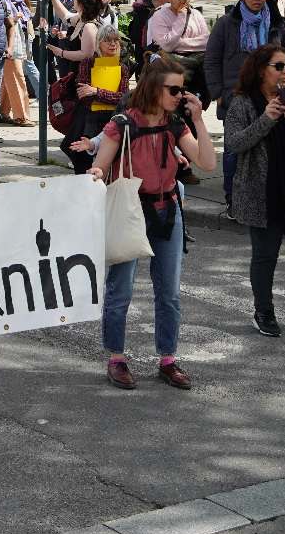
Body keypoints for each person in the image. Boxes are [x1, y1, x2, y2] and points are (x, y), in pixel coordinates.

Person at [89, 58, 216, 390]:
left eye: (181, 89)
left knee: (169, 293)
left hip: (167, 210)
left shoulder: (176, 125)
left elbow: (206, 162)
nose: (179, 95)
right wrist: (96, 173)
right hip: (131, 211)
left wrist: (199, 120)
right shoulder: (122, 124)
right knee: (121, 291)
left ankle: (168, 360)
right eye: (173, 89)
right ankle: (116, 358)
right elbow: (101, 167)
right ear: (152, 88)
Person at [224, 44, 285, 337]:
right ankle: (263, 311)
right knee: (265, 255)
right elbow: (234, 144)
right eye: (278, 66)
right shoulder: (242, 103)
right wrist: (266, 119)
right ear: (260, 70)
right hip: (262, 190)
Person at [206, 0, 285, 217]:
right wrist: (218, 95)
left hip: (271, 96)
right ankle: (233, 199)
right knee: (234, 151)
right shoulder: (226, 23)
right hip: (235, 97)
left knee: (271, 150)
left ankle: (266, 199)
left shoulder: (277, 24)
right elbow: (211, 60)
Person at [61, 24, 131, 175]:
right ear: (99, 42)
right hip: (88, 122)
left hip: (112, 120)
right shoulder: (88, 63)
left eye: (116, 40)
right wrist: (108, 97)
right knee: (83, 161)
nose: (113, 44)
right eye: (108, 40)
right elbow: (84, 96)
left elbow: (124, 98)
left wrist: (97, 91)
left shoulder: (122, 68)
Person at [149, 0, 211, 104]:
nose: (183, 1)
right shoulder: (159, 16)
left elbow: (207, 41)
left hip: (197, 70)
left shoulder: (196, 14)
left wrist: (180, 43)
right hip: (173, 69)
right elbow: (168, 45)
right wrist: (181, 19)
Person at [0, 0, 39, 120]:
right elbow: (4, 24)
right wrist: (14, 19)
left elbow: (28, 23)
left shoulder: (21, 2)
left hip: (23, 43)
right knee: (17, 78)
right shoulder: (4, 2)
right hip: (11, 45)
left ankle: (3, 112)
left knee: (8, 79)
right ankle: (21, 116)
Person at [45, 0, 101, 80]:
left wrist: (62, 53)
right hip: (75, 73)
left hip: (86, 78)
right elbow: (64, 15)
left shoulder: (89, 26)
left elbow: (86, 55)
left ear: (80, 5)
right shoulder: (80, 19)